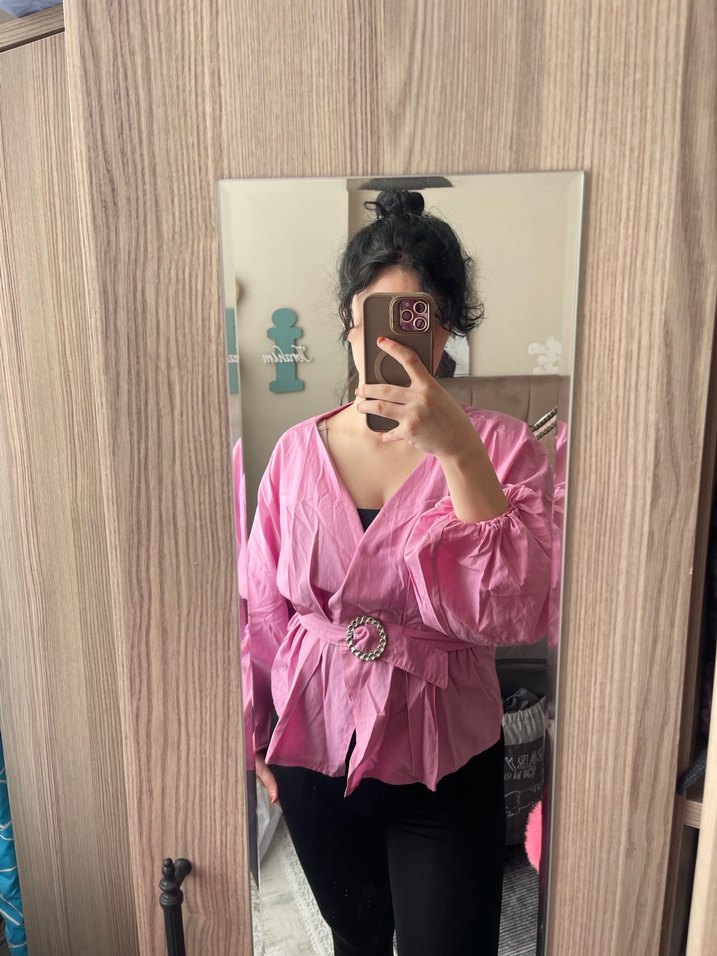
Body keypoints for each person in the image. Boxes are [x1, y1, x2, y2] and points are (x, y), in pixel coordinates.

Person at [245, 189, 553, 956]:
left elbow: (521, 610)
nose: (392, 339)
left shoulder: (502, 448)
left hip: (446, 756)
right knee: (354, 942)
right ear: (349, 326)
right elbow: (262, 610)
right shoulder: (294, 452)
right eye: (374, 317)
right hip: (315, 746)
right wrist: (252, 730)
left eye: (420, 318)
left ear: (446, 330)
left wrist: (456, 452)